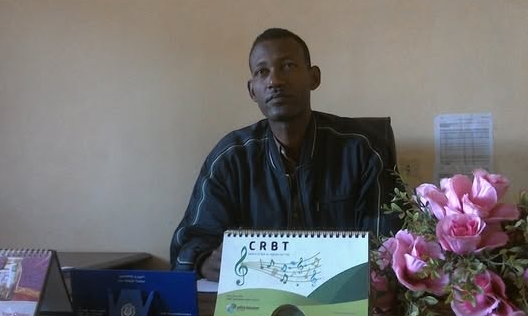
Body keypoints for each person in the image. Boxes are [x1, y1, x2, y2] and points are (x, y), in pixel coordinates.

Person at [170, 28, 399, 281]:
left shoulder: (363, 150)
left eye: (288, 66)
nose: (274, 81)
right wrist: (204, 261)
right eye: (262, 72)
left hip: (340, 295)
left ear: (314, 77)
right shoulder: (231, 158)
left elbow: (389, 248)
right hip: (256, 299)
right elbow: (187, 245)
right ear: (252, 90)